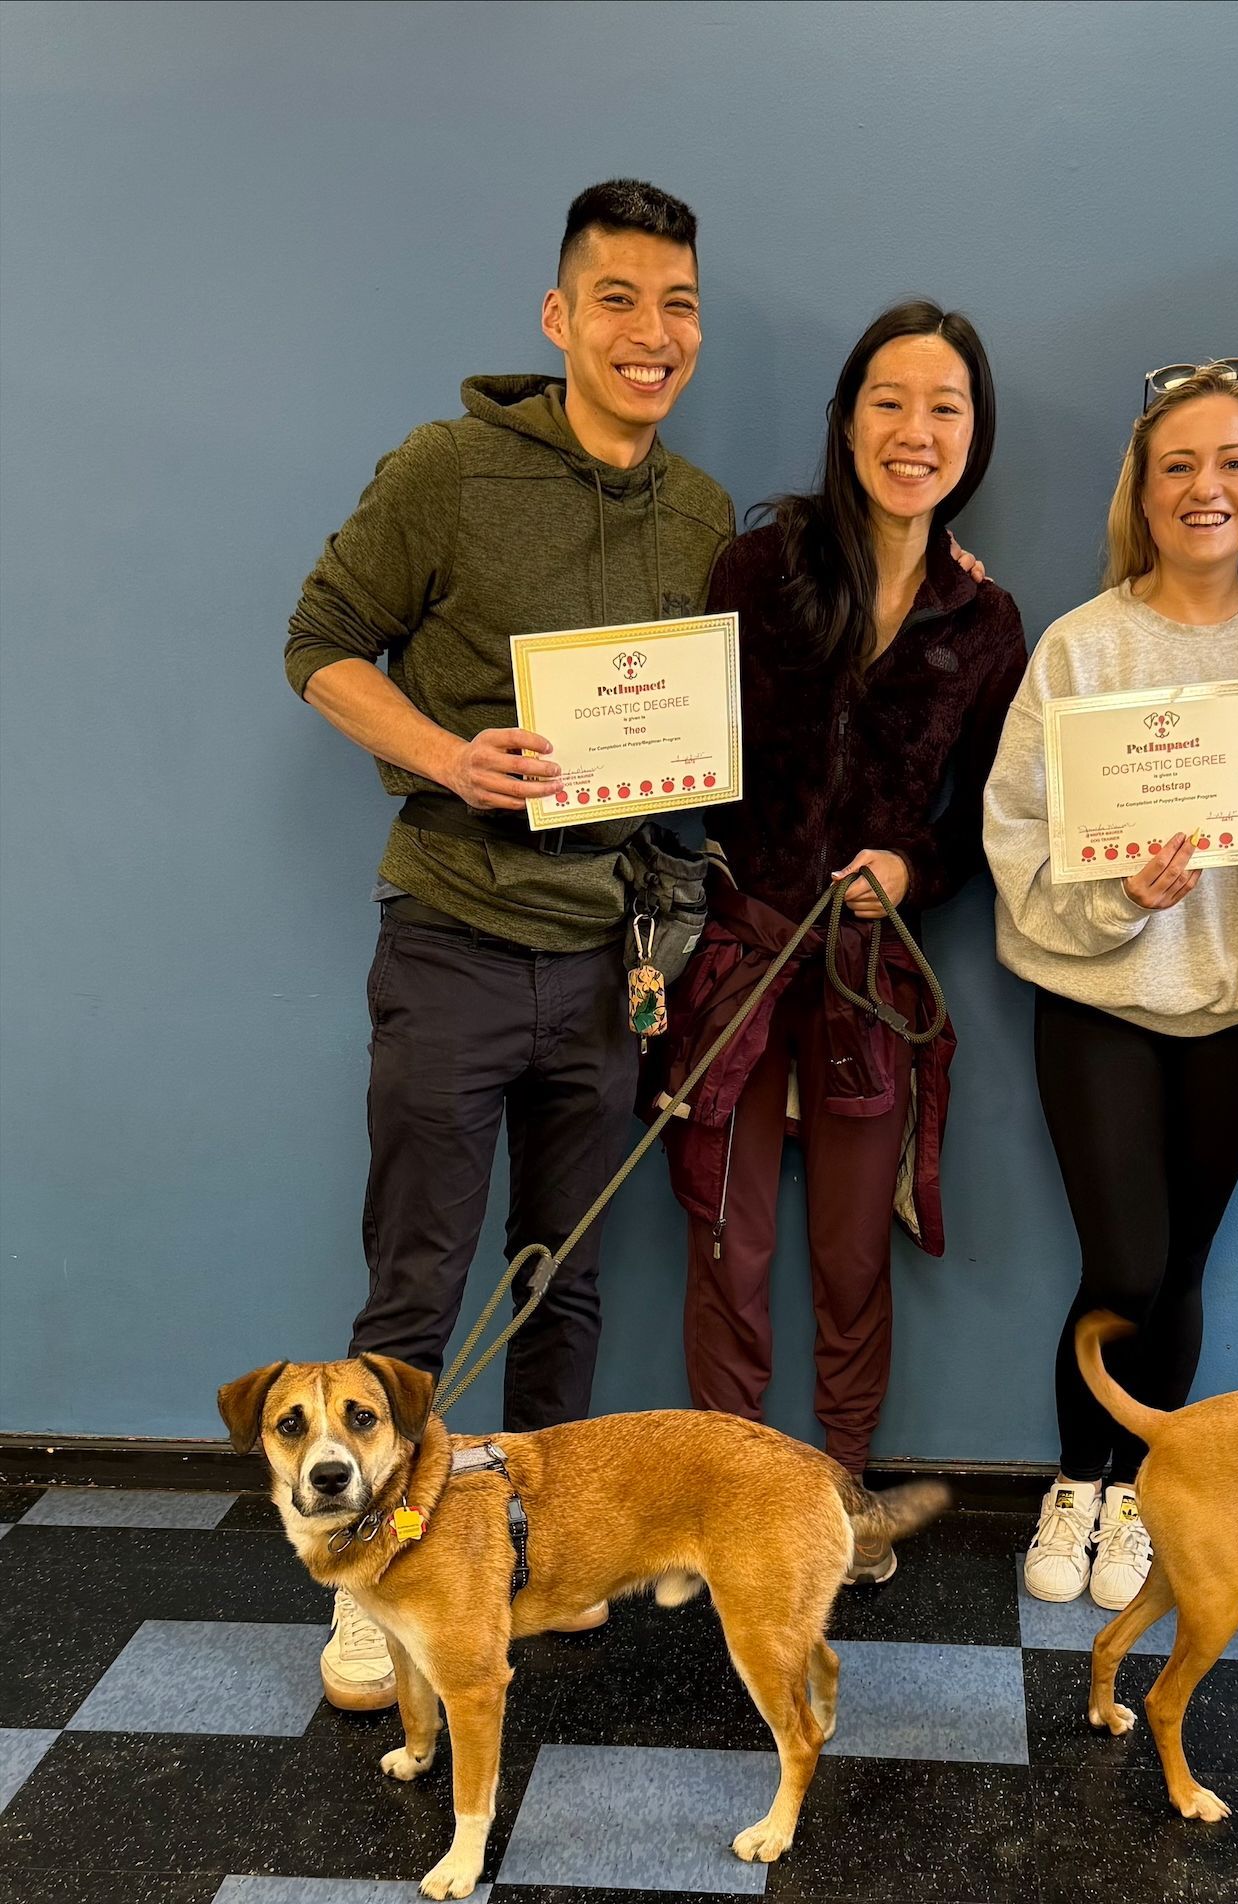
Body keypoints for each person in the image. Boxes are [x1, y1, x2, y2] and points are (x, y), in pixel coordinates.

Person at [283, 181, 733, 1707]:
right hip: (453, 936)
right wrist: (446, 754)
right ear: (558, 317)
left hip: (605, 953)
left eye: (676, 304)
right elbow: (318, 644)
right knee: (414, 1284)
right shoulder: (449, 468)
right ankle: (369, 1586)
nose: (650, 332)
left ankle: (534, 1564)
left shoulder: (699, 512)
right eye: (617, 299)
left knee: (563, 1277)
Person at [652, 301, 1026, 1572]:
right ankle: (727, 1500)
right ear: (846, 420)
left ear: (974, 435)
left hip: (871, 981)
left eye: (944, 408)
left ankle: (842, 1493)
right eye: (889, 401)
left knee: (853, 1252)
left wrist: (913, 869)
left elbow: (990, 818)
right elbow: (683, 747)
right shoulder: (755, 570)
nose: (914, 431)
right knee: (729, 1241)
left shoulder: (985, 621)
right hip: (739, 963)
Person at [984, 362, 1238, 1611]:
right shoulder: (1080, 646)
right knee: (1124, 1262)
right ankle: (1075, 1480)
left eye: (1232, 463)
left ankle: (1142, 1489)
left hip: (1233, 1007)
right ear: (1140, 492)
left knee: (1183, 1262)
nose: (1206, 487)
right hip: (1098, 998)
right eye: (1177, 465)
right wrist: (1113, 898)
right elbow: (1013, 830)